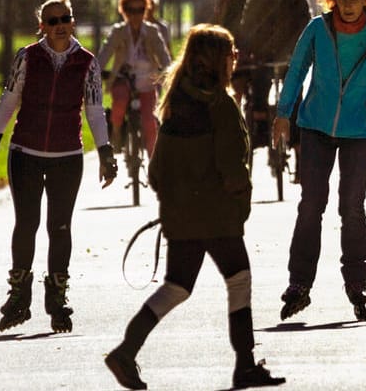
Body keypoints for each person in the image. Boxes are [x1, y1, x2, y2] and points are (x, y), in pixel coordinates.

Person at [104, 25, 283, 390]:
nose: (235, 59)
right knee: (239, 280)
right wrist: (239, 205)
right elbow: (232, 166)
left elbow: (156, 171)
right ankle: (245, 364)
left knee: (177, 286)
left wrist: (177, 201)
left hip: (182, 215)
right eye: (231, 53)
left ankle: (126, 351)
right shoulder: (219, 103)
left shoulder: (176, 102)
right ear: (218, 59)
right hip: (217, 216)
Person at [272, 0, 366, 321]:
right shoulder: (318, 29)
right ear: (332, 1)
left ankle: (357, 281)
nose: (347, 7)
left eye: (355, 0)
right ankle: (299, 283)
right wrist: (283, 113)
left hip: (359, 133)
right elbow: (297, 70)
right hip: (315, 126)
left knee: (352, 207)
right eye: (341, 0)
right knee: (311, 205)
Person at [0, 0, 116, 333]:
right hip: (25, 150)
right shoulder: (27, 57)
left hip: (67, 155)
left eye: (64, 19)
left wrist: (106, 152)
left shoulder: (87, 62)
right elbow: (10, 98)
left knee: (60, 227)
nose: (59, 26)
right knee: (26, 224)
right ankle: (19, 297)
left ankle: (57, 298)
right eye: (52, 21)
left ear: (73, 21)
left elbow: (95, 111)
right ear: (42, 25)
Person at [237, 0, 315, 146]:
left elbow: (305, 30)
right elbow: (247, 29)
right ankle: (261, 130)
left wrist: (299, 53)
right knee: (258, 91)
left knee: (296, 99)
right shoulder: (255, 2)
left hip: (292, 59)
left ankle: (297, 146)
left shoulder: (299, 1)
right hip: (263, 59)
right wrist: (251, 52)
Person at [106, 0, 173, 155]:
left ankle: (153, 163)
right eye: (130, 10)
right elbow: (105, 52)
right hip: (124, 78)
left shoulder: (152, 31)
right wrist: (96, 71)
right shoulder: (118, 31)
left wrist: (169, 71)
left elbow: (163, 55)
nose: (135, 15)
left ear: (146, 11)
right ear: (124, 11)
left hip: (147, 81)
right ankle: (116, 134)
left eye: (140, 10)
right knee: (119, 104)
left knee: (150, 123)